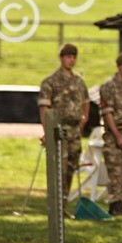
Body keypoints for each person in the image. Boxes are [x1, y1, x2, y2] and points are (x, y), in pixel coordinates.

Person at [38, 43, 90, 201]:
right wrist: (47, 131)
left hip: (74, 131)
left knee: (71, 168)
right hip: (58, 131)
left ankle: (64, 202)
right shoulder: (50, 82)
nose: (71, 60)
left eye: (74, 57)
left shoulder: (79, 82)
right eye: (68, 57)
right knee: (58, 168)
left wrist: (84, 118)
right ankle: (56, 204)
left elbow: (86, 101)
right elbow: (44, 108)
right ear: (61, 58)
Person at [98, 51, 122, 216]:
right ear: (118, 67)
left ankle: (120, 204)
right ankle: (114, 206)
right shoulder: (108, 87)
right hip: (115, 133)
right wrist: (118, 136)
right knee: (115, 172)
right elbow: (107, 114)